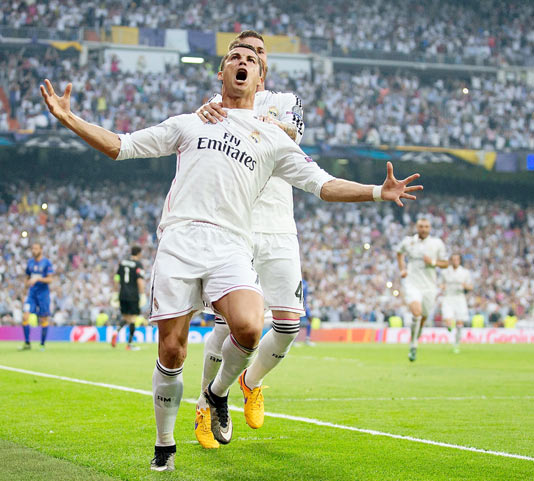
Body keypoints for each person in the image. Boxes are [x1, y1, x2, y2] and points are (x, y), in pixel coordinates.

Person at [40, 43, 422, 472]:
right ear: (220, 73)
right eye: (235, 58)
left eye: (252, 61)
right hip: (181, 239)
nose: (243, 63)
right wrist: (69, 118)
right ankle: (164, 444)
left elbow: (322, 183)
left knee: (249, 325)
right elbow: (122, 146)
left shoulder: (273, 135)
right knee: (172, 351)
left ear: (262, 79)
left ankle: (219, 392)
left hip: (231, 243)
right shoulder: (190, 122)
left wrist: (376, 191)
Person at [193, 31, 310, 447]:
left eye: (258, 54)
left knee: (289, 325)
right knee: (232, 325)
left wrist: (259, 123)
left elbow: (291, 134)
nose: (249, 60)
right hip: (236, 225)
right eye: (242, 53)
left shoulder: (285, 101)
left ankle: (250, 381)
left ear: (265, 68)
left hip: (279, 225)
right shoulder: (218, 101)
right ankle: (206, 405)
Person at [396, 218, 448, 362]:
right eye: (421, 226)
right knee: (416, 312)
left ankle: (415, 338)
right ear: (416, 227)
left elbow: (445, 263)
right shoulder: (409, 241)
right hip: (412, 283)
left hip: (430, 286)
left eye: (426, 226)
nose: (424, 229)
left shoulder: (437, 244)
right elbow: (399, 253)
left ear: (430, 228)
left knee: (423, 316)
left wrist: (432, 262)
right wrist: (402, 269)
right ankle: (413, 345)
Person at [20, 242, 54, 351]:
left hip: (43, 294)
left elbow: (50, 279)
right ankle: (27, 343)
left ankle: (42, 344)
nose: (34, 250)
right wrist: (25, 289)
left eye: (36, 248)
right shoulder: (30, 263)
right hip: (31, 294)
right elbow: (27, 277)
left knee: (43, 318)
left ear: (41, 250)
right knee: (25, 316)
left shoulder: (46, 263)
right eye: (33, 248)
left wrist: (38, 279)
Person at [112, 245, 146, 350]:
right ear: (139, 253)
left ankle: (116, 331)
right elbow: (139, 280)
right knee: (133, 319)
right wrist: (142, 294)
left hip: (122, 294)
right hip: (133, 295)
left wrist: (115, 292)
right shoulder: (138, 264)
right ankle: (129, 344)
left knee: (126, 317)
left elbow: (116, 278)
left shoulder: (122, 263)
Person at [440, 253, 473, 353]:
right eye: (453, 259)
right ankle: (449, 327)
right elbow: (440, 284)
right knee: (448, 321)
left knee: (459, 322)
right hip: (448, 297)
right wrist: (442, 287)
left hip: (459, 298)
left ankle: (456, 344)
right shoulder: (445, 272)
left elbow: (471, 287)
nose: (455, 261)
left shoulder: (464, 272)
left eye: (457, 259)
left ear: (460, 260)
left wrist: (465, 286)